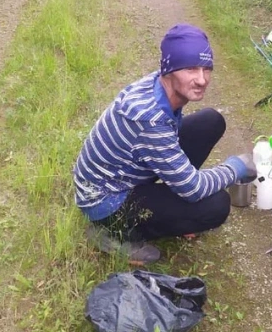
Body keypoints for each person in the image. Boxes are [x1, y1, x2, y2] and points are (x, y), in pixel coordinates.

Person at [73, 23, 256, 264]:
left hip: (125, 172)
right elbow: (194, 189)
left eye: (206, 68)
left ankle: (170, 205)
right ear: (170, 69)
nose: (202, 79)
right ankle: (113, 233)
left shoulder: (158, 83)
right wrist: (236, 167)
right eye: (190, 68)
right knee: (217, 204)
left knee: (210, 121)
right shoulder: (150, 118)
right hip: (105, 201)